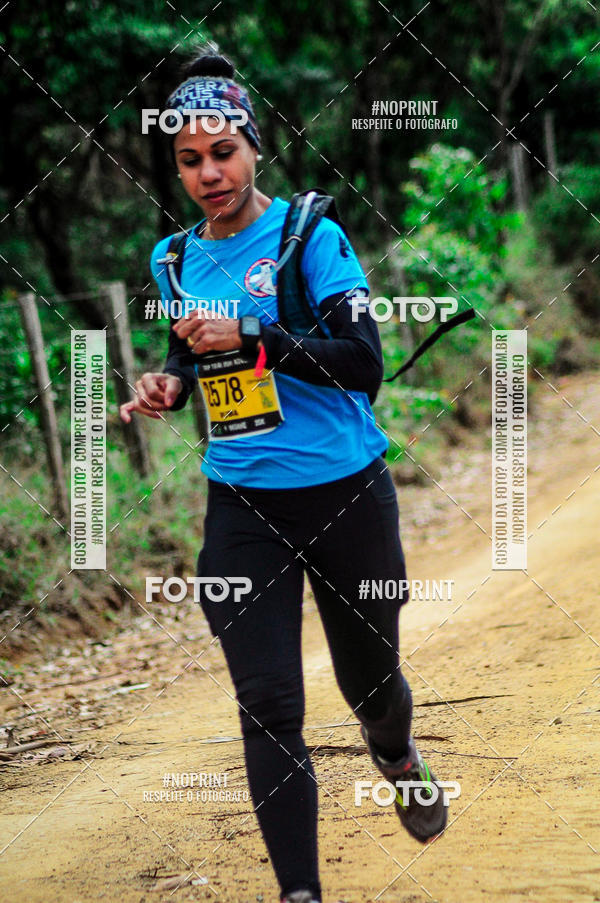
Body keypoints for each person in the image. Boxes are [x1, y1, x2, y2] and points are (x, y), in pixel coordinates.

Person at [120, 50, 448, 903]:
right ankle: (300, 892)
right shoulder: (172, 258)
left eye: (222, 152)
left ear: (254, 145)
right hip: (242, 501)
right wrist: (168, 383)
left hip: (346, 493)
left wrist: (257, 340)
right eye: (189, 160)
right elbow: (190, 355)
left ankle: (394, 750)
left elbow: (363, 364)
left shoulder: (311, 237)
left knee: (371, 680)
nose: (208, 174)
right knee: (268, 701)